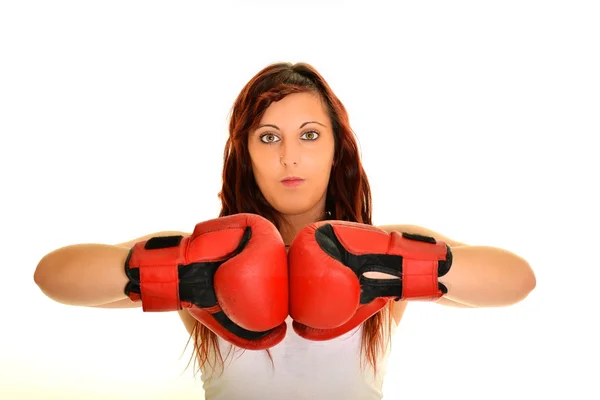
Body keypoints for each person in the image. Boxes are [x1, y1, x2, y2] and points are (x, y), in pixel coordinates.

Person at [33, 62, 537, 399]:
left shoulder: (385, 246)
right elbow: (52, 276)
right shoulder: (205, 252)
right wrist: (188, 274)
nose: (289, 156)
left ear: (337, 147)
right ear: (245, 153)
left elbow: (518, 280)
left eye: (310, 135)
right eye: (268, 137)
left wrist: (388, 268)